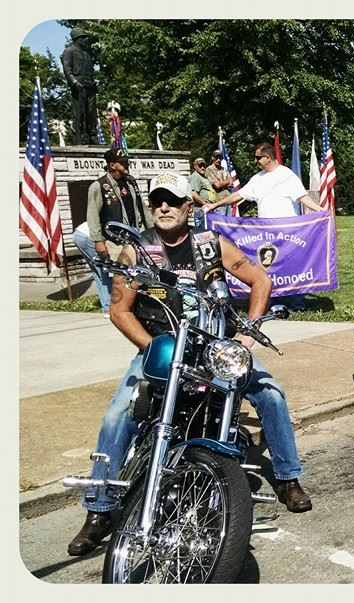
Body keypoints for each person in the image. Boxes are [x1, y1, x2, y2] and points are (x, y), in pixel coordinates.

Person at [67, 173, 313, 557]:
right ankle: (99, 509)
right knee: (117, 416)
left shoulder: (211, 243)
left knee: (271, 394)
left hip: (217, 347)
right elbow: (119, 310)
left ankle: (287, 478)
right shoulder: (137, 250)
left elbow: (260, 280)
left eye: (172, 200)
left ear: (188, 206)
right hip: (162, 348)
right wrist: (153, 348)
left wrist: (246, 334)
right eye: (157, 201)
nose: (164, 207)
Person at [203, 143, 324, 311]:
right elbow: (238, 195)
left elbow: (302, 196)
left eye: (258, 158)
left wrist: (319, 210)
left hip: (287, 232)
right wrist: (215, 205)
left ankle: (297, 303)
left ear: (267, 157)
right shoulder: (257, 179)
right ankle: (273, 301)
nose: (256, 161)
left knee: (291, 266)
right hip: (265, 233)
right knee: (270, 267)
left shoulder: (287, 175)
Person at [81, 148, 153, 317]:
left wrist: (152, 231)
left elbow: (142, 208)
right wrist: (98, 241)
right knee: (121, 275)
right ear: (112, 165)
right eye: (122, 162)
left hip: (136, 236)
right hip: (114, 240)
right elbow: (92, 215)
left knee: (141, 272)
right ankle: (119, 309)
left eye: (126, 161)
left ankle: (139, 306)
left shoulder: (130, 182)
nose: (126, 164)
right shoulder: (99, 186)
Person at [60, 28, 98, 145]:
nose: (85, 39)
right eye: (83, 37)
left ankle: (92, 135)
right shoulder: (69, 51)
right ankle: (78, 136)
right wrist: (74, 82)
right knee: (79, 112)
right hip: (78, 85)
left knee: (91, 112)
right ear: (77, 39)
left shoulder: (87, 53)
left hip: (90, 85)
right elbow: (67, 69)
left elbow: (90, 70)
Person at [188, 157, 217, 228]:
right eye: (200, 166)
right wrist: (206, 204)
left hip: (207, 209)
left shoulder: (203, 177)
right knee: (202, 231)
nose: (202, 168)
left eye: (204, 165)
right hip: (201, 210)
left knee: (209, 230)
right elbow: (194, 194)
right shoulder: (195, 176)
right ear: (195, 167)